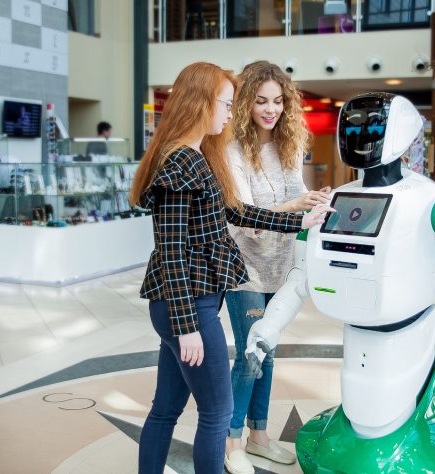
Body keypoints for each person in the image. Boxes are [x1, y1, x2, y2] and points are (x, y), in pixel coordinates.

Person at [128, 62, 333, 474]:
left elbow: (235, 211)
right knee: (218, 412)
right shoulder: (179, 163)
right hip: (185, 305)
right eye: (225, 103)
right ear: (201, 103)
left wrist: (301, 220)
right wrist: (186, 325)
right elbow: (169, 252)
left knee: (166, 409)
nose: (229, 112)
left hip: (189, 300)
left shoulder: (198, 157)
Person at [224, 60, 331, 474]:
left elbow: (297, 192)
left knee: (267, 354)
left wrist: (317, 197)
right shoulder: (231, 151)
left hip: (281, 265)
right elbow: (243, 214)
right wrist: (296, 206)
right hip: (245, 267)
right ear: (245, 102)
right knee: (249, 354)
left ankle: (259, 436)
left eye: (278, 101)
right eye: (261, 101)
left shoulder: (287, 146)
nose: (271, 109)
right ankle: (231, 442)